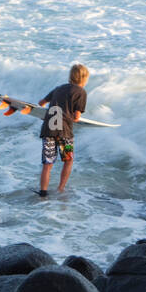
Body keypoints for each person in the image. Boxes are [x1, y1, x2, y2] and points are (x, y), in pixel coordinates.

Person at [37, 63, 89, 197]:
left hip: (48, 130)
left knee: (47, 164)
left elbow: (41, 103)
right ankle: (60, 189)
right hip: (64, 132)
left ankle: (43, 192)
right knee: (68, 160)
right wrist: (74, 116)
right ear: (84, 78)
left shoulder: (58, 89)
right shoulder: (81, 92)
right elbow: (77, 117)